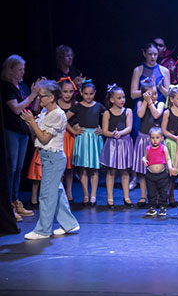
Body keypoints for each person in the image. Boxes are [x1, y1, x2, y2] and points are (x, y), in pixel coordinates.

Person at [20, 80, 80, 240]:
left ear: (52, 97)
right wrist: (30, 123)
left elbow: (44, 138)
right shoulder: (45, 112)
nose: (39, 99)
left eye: (42, 96)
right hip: (47, 158)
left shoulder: (57, 115)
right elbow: (37, 133)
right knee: (57, 192)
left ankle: (43, 230)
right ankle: (69, 224)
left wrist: (32, 122)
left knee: (46, 195)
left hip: (53, 158)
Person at [2, 55, 40, 220]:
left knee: (18, 168)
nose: (23, 72)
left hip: (23, 131)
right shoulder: (7, 87)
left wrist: (37, 94)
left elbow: (32, 108)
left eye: (23, 69)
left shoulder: (23, 86)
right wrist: (32, 95)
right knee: (11, 168)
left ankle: (16, 200)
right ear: (10, 70)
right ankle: (9, 204)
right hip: (12, 130)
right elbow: (16, 109)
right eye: (19, 69)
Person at [67, 81, 105, 206]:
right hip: (83, 138)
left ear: (95, 93)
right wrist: (73, 130)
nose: (88, 96)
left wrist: (103, 130)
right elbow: (63, 118)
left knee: (94, 168)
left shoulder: (98, 106)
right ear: (81, 93)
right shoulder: (78, 106)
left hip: (94, 138)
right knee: (83, 168)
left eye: (91, 94)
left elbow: (109, 117)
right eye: (86, 94)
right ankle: (85, 195)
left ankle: (93, 195)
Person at [98, 85, 134, 208]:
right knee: (111, 171)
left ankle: (127, 197)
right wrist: (113, 134)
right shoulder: (107, 113)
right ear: (112, 100)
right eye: (119, 98)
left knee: (125, 171)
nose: (122, 100)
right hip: (112, 144)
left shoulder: (128, 111)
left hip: (124, 143)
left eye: (123, 97)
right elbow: (104, 131)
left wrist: (120, 133)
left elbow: (129, 128)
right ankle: (110, 199)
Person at [131, 79, 164, 206]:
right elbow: (140, 115)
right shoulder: (141, 103)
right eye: (150, 94)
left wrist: (150, 102)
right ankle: (143, 196)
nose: (154, 96)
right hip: (143, 139)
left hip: (156, 141)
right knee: (142, 171)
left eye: (155, 93)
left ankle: (157, 196)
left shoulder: (160, 104)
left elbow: (156, 115)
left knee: (156, 169)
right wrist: (145, 101)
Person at [142, 127, 176, 217]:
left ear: (161, 138)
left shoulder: (163, 148)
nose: (155, 140)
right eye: (153, 138)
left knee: (163, 192)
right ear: (149, 138)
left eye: (157, 138)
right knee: (151, 192)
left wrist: (170, 168)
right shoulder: (148, 148)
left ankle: (163, 206)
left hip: (162, 175)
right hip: (150, 175)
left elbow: (168, 159)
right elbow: (145, 157)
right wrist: (144, 159)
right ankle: (152, 207)